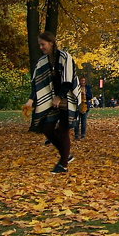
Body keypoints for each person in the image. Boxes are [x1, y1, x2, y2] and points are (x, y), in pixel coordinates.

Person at [22, 31, 81, 173]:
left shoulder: (65, 57)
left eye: (43, 44)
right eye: (39, 45)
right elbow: (37, 83)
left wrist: (59, 97)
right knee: (46, 128)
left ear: (51, 43)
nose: (41, 47)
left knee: (63, 130)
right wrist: (31, 100)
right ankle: (66, 155)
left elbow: (68, 80)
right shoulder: (42, 61)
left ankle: (63, 164)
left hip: (68, 97)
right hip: (51, 99)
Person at [75, 76, 92, 140]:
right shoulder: (77, 87)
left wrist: (85, 94)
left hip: (85, 106)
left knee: (83, 122)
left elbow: (90, 96)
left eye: (84, 80)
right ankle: (76, 135)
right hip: (77, 106)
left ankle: (83, 135)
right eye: (81, 80)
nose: (82, 82)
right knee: (77, 121)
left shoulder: (88, 87)